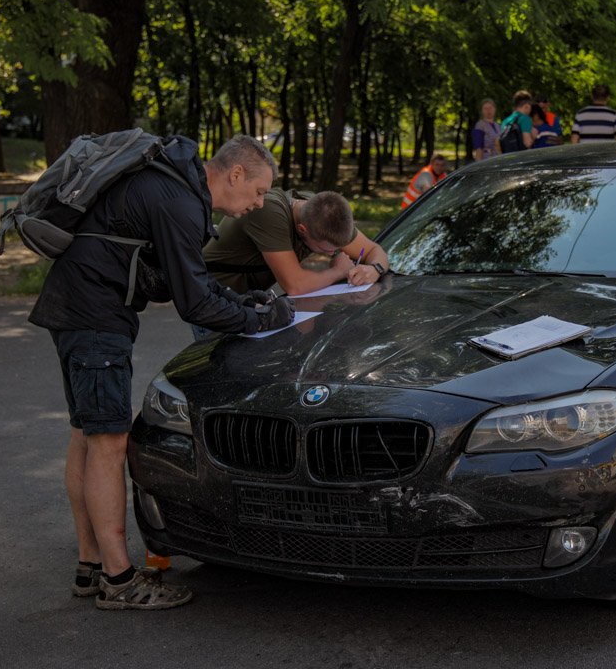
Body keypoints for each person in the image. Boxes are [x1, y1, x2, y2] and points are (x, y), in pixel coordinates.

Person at [29, 134, 294, 610]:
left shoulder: (171, 183)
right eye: (258, 192)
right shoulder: (180, 201)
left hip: (77, 310)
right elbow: (193, 302)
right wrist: (259, 320)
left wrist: (244, 302)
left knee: (86, 436)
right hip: (95, 320)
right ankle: (119, 580)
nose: (258, 204)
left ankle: (92, 567)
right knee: (109, 443)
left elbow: (191, 280)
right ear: (235, 174)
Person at [203, 188, 390, 297]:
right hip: (213, 295)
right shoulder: (269, 213)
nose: (332, 253)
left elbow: (374, 249)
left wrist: (374, 269)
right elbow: (294, 285)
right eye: (325, 249)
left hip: (245, 298)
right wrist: (337, 271)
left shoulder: (325, 214)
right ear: (302, 230)